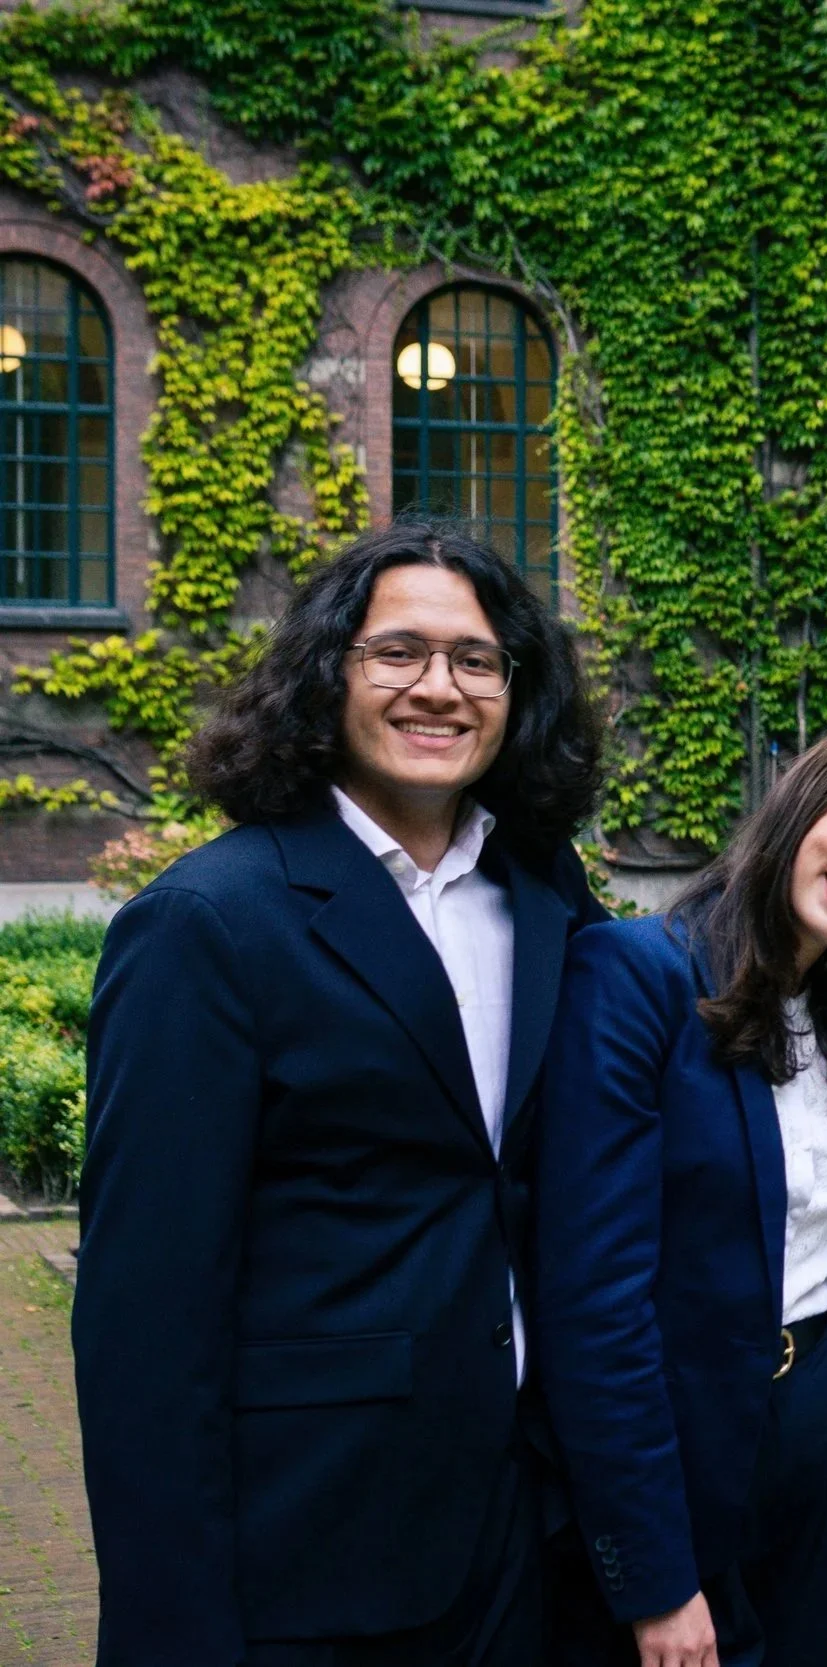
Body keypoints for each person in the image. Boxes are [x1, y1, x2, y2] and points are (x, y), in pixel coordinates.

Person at [74, 521, 607, 1666]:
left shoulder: (544, 891)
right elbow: (145, 1325)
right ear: (329, 674)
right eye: (398, 652)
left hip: (520, 1532)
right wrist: (172, 1628)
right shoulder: (208, 925)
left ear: (517, 690)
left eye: (475, 659)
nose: (439, 687)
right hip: (312, 1545)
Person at [534, 719, 827, 1667]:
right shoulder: (636, 976)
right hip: (682, 1450)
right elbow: (593, 1306)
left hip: (826, 1442)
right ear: (804, 796)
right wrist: (654, 1577)